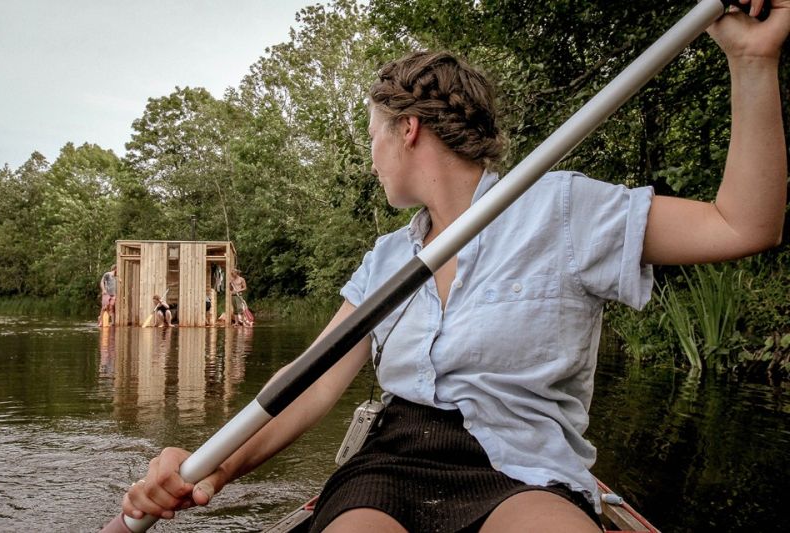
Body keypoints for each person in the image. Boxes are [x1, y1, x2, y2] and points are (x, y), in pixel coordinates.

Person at [121, 3, 789, 531]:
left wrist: (752, 60)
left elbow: (744, 224)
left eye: (373, 136)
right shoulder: (386, 258)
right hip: (394, 459)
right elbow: (309, 385)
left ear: (406, 128)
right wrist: (210, 468)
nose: (372, 158)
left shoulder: (559, 207)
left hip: (524, 466)